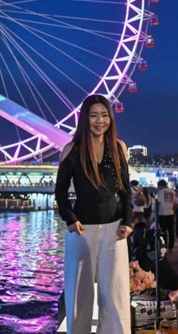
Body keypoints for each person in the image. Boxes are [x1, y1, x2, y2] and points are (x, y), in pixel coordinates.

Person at [55, 94, 133, 333]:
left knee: (115, 295)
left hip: (114, 230)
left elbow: (126, 191)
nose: (100, 120)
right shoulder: (72, 150)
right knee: (80, 294)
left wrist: (128, 222)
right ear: (84, 119)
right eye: (93, 115)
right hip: (82, 230)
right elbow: (60, 192)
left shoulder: (119, 149)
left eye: (104, 115)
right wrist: (70, 219)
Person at [155, 179, 176, 249]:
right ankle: (171, 247)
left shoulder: (160, 192)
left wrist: (156, 212)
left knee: (162, 231)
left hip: (162, 214)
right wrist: (172, 209)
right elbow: (177, 203)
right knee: (171, 232)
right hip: (171, 213)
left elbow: (158, 203)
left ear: (160, 185)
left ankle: (164, 247)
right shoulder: (172, 192)